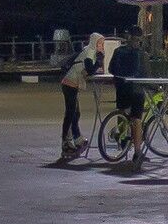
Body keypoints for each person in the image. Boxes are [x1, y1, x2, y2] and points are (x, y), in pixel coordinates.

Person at [58, 31, 104, 159]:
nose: (102, 46)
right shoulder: (90, 51)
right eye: (100, 43)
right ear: (95, 42)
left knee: (75, 113)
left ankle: (77, 138)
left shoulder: (88, 50)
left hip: (70, 83)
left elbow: (88, 68)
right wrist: (99, 62)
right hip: (70, 84)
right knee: (70, 113)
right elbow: (89, 69)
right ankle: (66, 142)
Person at [106, 29, 147, 163]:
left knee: (123, 114)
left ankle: (123, 143)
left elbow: (111, 69)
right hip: (136, 89)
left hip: (121, 88)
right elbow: (146, 73)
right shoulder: (142, 54)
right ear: (139, 39)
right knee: (137, 119)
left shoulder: (118, 51)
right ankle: (137, 152)